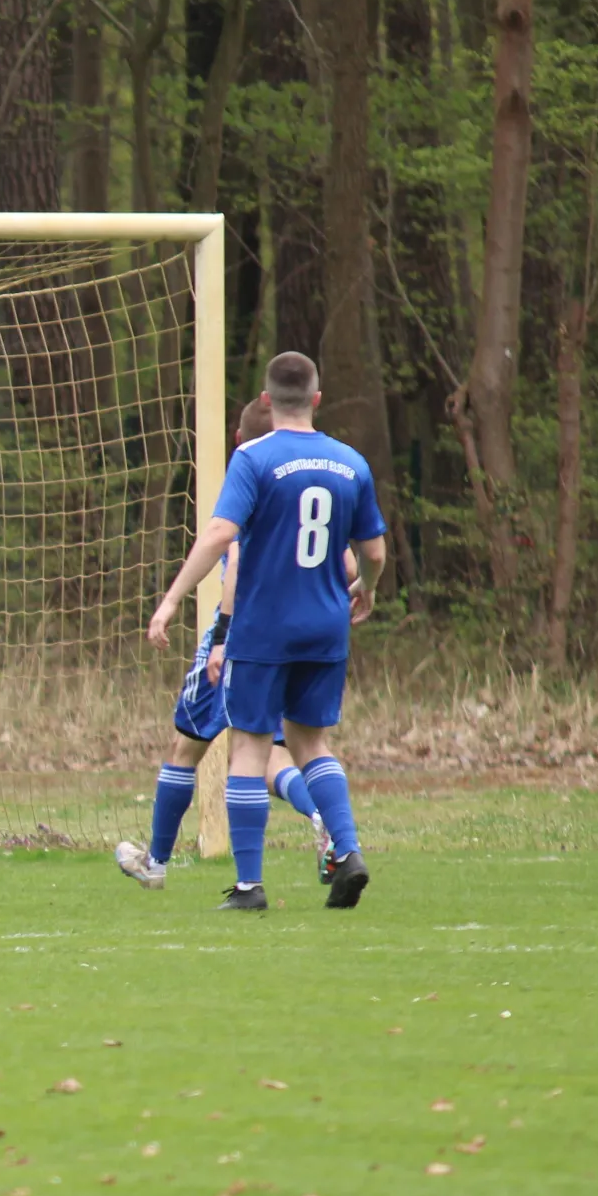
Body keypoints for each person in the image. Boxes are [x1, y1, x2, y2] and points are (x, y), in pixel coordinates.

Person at [146, 352, 387, 912]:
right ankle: (348, 850)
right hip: (326, 626)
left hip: (263, 629)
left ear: (267, 399)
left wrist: (172, 598)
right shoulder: (351, 462)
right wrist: (367, 589)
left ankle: (250, 886)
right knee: (311, 744)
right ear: (317, 399)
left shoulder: (253, 458)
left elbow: (220, 535)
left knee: (250, 748)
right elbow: (372, 552)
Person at [115, 399, 330, 890]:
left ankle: (157, 864)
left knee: (185, 746)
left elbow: (233, 560)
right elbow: (347, 564)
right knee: (270, 754)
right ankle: (326, 821)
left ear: (238, 441)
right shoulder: (306, 482)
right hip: (294, 635)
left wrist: (215, 634)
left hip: (241, 636)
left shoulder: (250, 476)